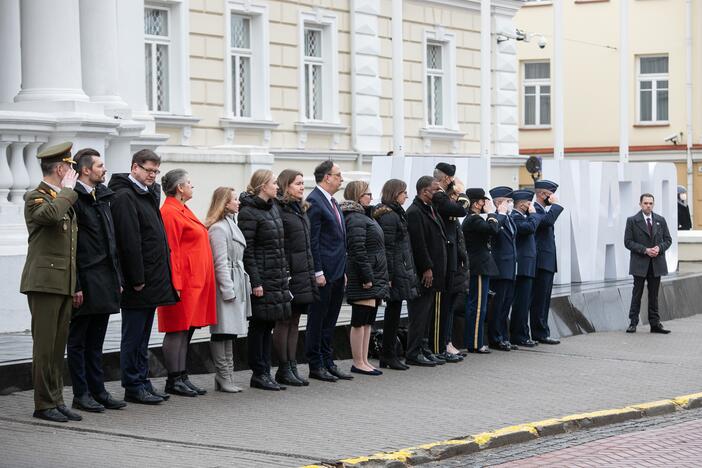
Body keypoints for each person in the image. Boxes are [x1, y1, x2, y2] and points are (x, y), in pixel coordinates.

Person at [109, 149, 179, 405]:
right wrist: (136, 278)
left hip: (151, 278)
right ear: (134, 167)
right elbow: (129, 242)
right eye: (148, 170)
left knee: (143, 336)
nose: (152, 175)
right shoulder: (125, 196)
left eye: (156, 171)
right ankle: (133, 384)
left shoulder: (146, 193)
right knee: (133, 336)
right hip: (139, 281)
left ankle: (143, 381)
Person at [20, 142, 82, 422]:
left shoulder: (61, 197)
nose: (73, 172)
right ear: (60, 169)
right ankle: (43, 404)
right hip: (44, 282)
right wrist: (68, 192)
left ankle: (56, 400)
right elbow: (49, 217)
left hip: (63, 282)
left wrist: (75, 283)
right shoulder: (36, 197)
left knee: (58, 347)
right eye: (70, 167)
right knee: (44, 347)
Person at [67, 148, 126, 413]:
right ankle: (81, 393)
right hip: (86, 280)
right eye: (100, 165)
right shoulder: (74, 199)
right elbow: (72, 247)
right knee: (78, 341)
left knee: (97, 340)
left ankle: (98, 390)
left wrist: (118, 278)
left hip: (105, 279)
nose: (104, 169)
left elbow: (111, 242)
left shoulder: (102, 196)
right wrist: (76, 284)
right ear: (86, 170)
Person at [157, 169, 217, 397]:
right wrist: (176, 284)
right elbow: (171, 251)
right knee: (177, 329)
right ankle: (174, 378)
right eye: (189, 183)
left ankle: (182, 376)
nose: (192, 186)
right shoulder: (170, 212)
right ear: (180, 188)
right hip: (183, 282)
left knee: (186, 329)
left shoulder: (182, 209)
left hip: (195, 282)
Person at [239, 170, 292, 390]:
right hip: (262, 277)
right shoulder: (249, 212)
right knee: (259, 325)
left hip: (276, 275)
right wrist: (256, 282)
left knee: (269, 323)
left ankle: (266, 370)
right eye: (273, 183)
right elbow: (248, 251)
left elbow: (279, 246)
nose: (277, 187)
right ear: (262, 186)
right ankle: (259, 372)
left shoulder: (273, 209)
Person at [305, 160, 353, 382]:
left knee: (331, 320)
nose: (341, 179)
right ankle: (315, 364)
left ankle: (328, 360)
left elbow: (338, 240)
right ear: (327, 177)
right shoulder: (315, 201)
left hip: (336, 271)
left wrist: (342, 269)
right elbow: (313, 241)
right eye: (338, 175)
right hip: (323, 273)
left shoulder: (332, 202)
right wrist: (317, 271)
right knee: (318, 319)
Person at [273, 170, 318, 386]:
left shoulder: (300, 209)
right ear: (286, 185)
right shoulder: (280, 210)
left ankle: (292, 365)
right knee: (284, 321)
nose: (302, 187)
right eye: (298, 183)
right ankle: (283, 367)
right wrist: (286, 273)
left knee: (295, 321)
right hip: (288, 274)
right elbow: (281, 246)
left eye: (303, 183)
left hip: (302, 273)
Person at [341, 181, 389, 376]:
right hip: (364, 277)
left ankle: (364, 359)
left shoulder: (364, 216)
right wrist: (367, 276)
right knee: (360, 319)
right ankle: (358, 361)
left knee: (368, 320)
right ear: (358, 196)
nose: (371, 197)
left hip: (374, 274)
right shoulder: (355, 218)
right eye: (367, 194)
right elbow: (357, 249)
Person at [205, 187, 251, 393]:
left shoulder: (230, 224)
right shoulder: (218, 229)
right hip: (228, 282)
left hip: (236, 279)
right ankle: (223, 376)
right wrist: (227, 289)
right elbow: (219, 263)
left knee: (230, 331)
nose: (238, 202)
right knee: (222, 331)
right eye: (234, 199)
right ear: (224, 202)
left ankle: (226, 376)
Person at [374, 179, 418, 370]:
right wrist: (389, 276)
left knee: (394, 312)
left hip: (400, 269)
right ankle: (388, 355)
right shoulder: (390, 216)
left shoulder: (395, 213)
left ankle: (389, 354)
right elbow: (388, 249)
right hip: (395, 271)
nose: (406, 196)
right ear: (395, 193)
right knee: (392, 314)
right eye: (403, 192)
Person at [405, 176, 448, 367]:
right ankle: (413, 352)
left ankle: (424, 348)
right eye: (436, 190)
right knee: (419, 313)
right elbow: (418, 243)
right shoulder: (415, 212)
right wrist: (427, 268)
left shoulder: (430, 209)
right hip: (424, 272)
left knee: (427, 312)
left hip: (435, 270)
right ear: (424, 191)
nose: (440, 193)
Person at [431, 163, 468, 363]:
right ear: (447, 179)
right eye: (451, 179)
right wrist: (461, 195)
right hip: (442, 257)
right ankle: (439, 346)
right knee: (441, 307)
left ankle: (444, 343)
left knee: (448, 306)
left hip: (451, 256)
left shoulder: (443, 195)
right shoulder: (438, 194)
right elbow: (461, 210)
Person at [462, 188, 504, 354]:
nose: (484, 204)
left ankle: (475, 341)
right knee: (478, 306)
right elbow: (492, 229)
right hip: (478, 265)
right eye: (482, 201)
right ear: (475, 203)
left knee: (479, 304)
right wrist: (492, 214)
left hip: (481, 265)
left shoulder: (474, 219)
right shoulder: (473, 219)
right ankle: (474, 342)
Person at [625, 194, 672, 334]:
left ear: (653, 204)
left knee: (654, 295)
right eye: (645, 203)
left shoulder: (660, 220)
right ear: (640, 204)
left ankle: (655, 324)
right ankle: (633, 323)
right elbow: (628, 242)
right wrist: (645, 250)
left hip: (656, 263)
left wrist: (659, 248)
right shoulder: (632, 221)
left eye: (650, 203)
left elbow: (668, 240)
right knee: (637, 294)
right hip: (640, 263)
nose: (648, 206)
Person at [529, 180, 564, 345]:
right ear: (543, 194)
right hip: (540, 261)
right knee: (539, 299)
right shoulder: (534, 209)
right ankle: (539, 332)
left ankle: (541, 331)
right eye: (551, 195)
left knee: (544, 299)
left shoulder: (543, 210)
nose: (553, 198)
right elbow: (547, 222)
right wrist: (556, 206)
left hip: (547, 261)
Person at [509, 190, 543, 348]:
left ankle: (523, 333)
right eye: (529, 204)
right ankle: (519, 335)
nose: (531, 206)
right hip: (522, 267)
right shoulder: (516, 217)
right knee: (521, 304)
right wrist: (534, 214)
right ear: (522, 204)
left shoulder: (523, 217)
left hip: (527, 266)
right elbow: (529, 228)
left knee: (525, 303)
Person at [487, 186, 517, 352]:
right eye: (508, 201)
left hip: (510, 267)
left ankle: (504, 337)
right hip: (500, 269)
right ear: (498, 203)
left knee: (506, 305)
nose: (510, 204)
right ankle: (495, 338)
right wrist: (501, 214)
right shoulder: (496, 219)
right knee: (497, 306)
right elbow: (495, 231)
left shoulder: (509, 218)